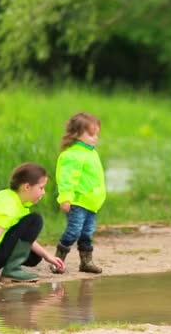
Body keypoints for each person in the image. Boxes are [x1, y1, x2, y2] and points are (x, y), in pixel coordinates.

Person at [0, 162, 65, 283]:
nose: (43, 192)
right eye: (41, 187)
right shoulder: (8, 204)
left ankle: (8, 268)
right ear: (27, 187)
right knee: (35, 219)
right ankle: (11, 271)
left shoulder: (17, 202)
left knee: (35, 257)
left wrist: (48, 257)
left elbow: (22, 237)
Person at [51, 112, 106, 274]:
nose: (95, 138)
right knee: (73, 231)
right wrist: (66, 198)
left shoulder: (91, 152)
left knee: (87, 233)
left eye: (96, 134)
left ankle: (86, 262)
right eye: (90, 134)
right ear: (76, 134)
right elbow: (67, 179)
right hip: (78, 201)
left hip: (91, 202)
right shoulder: (72, 155)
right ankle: (57, 261)